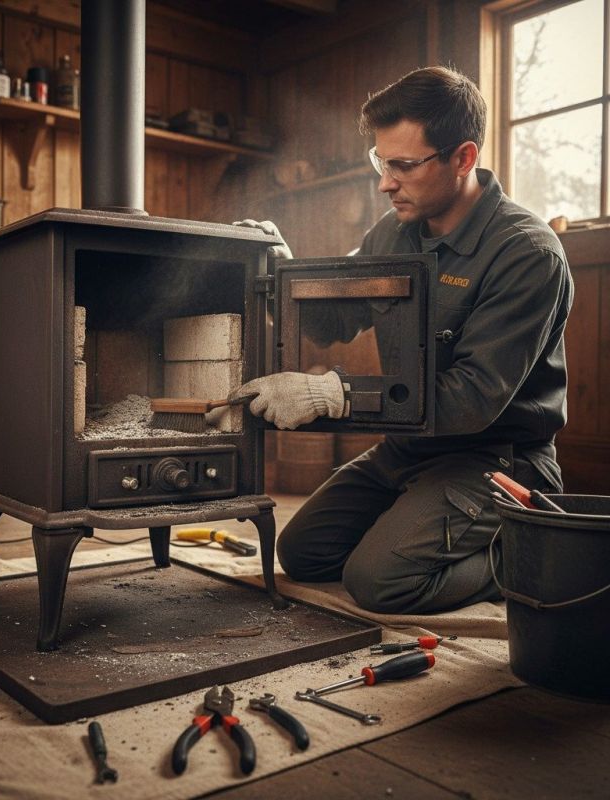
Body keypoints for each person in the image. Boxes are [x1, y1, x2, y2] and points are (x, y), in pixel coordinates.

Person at [230, 66, 573, 614]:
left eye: (403, 166)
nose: (385, 182)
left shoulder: (526, 253)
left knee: (380, 582)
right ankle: (422, 525)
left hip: (494, 458)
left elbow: (470, 400)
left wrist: (331, 395)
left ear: (463, 157)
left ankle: (527, 552)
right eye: (380, 162)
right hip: (408, 449)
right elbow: (328, 320)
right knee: (303, 552)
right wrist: (275, 268)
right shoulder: (393, 232)